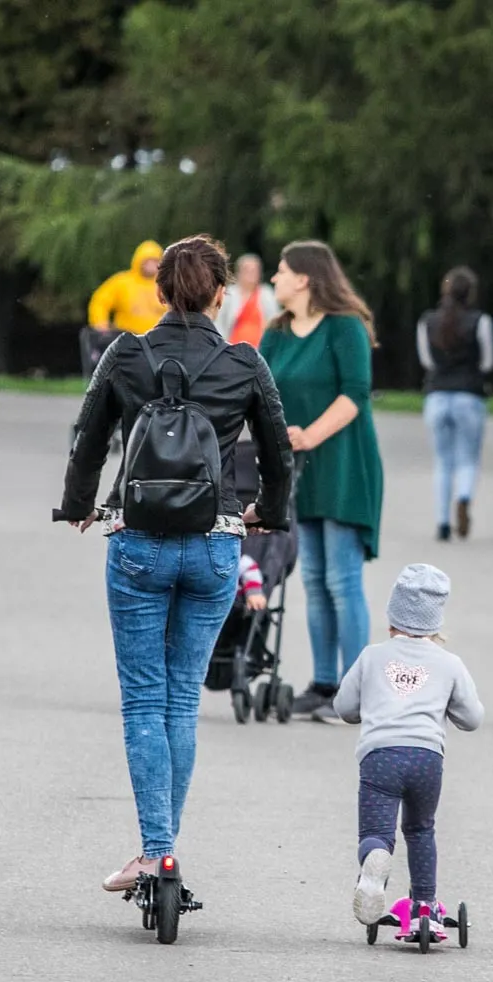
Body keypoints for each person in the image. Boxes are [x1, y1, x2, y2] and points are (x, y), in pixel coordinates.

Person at [60, 235, 293, 893]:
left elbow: (90, 438)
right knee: (181, 699)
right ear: (223, 294)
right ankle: (162, 853)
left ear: (159, 290)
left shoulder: (127, 353)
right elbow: (276, 453)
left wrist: (79, 505)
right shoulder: (245, 362)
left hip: (138, 542)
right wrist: (267, 513)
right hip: (217, 543)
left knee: (142, 699)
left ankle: (157, 852)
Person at [260, 240, 383, 721]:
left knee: (342, 577)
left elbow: (355, 394)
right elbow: (260, 391)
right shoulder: (276, 333)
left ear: (305, 278)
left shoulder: (344, 328)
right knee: (311, 577)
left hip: (344, 466)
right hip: (294, 471)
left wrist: (309, 435)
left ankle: (357, 691)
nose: (275, 278)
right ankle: (324, 683)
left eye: (282, 271)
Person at [335, 564, 483, 941]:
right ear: (436, 624)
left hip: (380, 757)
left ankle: (373, 862)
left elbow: (343, 706)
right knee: (420, 829)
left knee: (376, 833)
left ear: (391, 617)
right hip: (426, 759)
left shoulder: (372, 657)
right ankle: (424, 906)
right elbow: (472, 718)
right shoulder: (449, 664)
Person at [417, 267, 493, 541]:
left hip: (437, 393)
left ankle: (442, 522)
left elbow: (427, 361)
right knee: (467, 458)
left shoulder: (428, 321)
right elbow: (488, 361)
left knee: (442, 461)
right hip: (469, 394)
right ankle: (463, 497)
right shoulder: (480, 321)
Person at [216, 253, 281, 346]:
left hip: (261, 350)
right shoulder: (229, 294)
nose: (251, 274)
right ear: (238, 272)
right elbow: (219, 323)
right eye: (247, 270)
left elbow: (275, 321)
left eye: (255, 270)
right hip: (233, 349)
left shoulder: (267, 293)